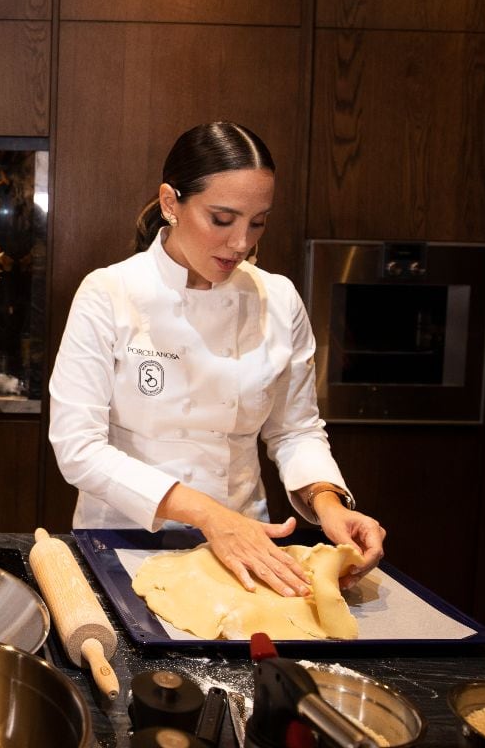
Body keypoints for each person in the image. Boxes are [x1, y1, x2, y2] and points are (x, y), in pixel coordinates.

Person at [48, 121, 385, 598]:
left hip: (248, 550)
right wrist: (211, 515)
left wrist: (329, 503)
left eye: (258, 221)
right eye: (222, 219)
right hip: (123, 543)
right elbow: (78, 448)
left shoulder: (279, 298)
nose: (241, 243)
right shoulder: (109, 293)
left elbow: (294, 429)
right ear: (171, 203)